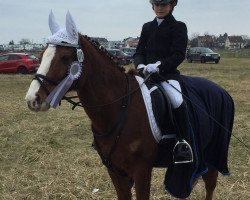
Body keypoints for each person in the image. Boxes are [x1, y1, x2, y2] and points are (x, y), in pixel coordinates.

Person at [134, 0, 193, 164]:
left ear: (172, 5)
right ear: (152, 6)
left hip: (167, 75)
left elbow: (178, 54)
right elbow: (139, 51)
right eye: (157, 5)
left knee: (176, 99)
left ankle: (183, 143)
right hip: (145, 74)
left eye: (164, 5)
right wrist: (141, 65)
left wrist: (159, 66)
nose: (160, 8)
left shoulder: (179, 26)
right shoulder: (147, 27)